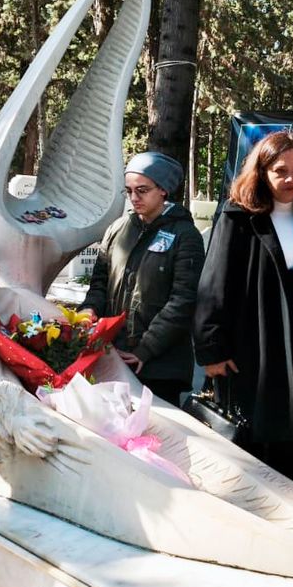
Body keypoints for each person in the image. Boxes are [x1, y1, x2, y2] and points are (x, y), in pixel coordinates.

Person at [194, 129, 293, 481]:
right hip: (248, 347)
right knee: (245, 447)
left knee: (288, 446)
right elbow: (214, 285)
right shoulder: (238, 216)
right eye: (280, 171)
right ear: (261, 172)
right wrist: (211, 350)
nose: (291, 179)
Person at [79, 152, 205, 403]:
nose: (134, 198)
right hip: (113, 355)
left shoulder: (185, 235)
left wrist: (146, 349)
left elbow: (183, 300)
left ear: (163, 190)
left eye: (142, 190)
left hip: (160, 366)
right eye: (129, 191)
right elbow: (100, 283)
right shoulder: (117, 229)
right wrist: (89, 309)